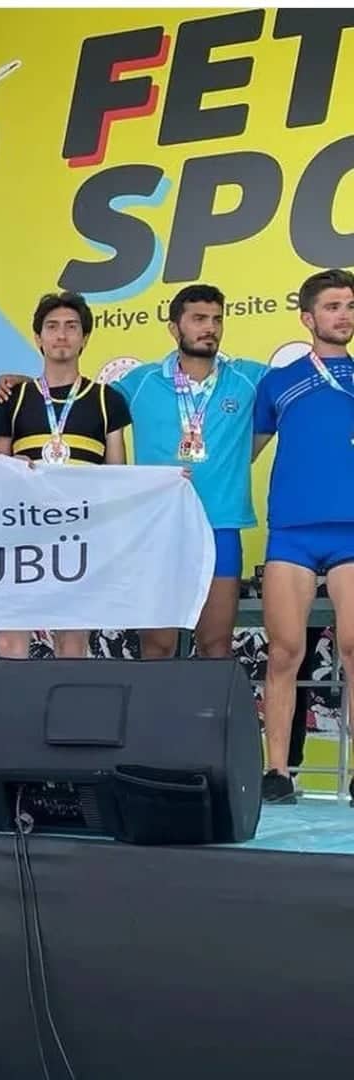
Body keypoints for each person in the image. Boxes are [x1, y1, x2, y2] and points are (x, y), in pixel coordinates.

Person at [0, 283, 264, 661]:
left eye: (217, 320)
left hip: (220, 523)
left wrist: (240, 455)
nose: (210, 328)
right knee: (157, 646)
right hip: (158, 526)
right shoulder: (139, 383)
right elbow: (77, 398)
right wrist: (24, 384)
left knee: (216, 645)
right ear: (174, 327)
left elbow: (288, 397)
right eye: (199, 319)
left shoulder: (249, 378)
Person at [252, 268, 354, 805]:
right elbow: (239, 454)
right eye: (333, 306)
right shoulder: (277, 382)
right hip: (291, 532)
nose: (345, 316)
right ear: (308, 317)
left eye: (350, 306)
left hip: (351, 532)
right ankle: (276, 771)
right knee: (284, 652)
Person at [0, 291, 130, 660]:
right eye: (52, 327)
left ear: (85, 338)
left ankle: (68, 702)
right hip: (23, 532)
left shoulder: (108, 400)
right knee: (10, 641)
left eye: (71, 327)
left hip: (81, 535)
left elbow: (118, 477)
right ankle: (15, 703)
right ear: (38, 338)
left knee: (72, 641)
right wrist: (3, 466)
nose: (62, 335)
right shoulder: (13, 398)